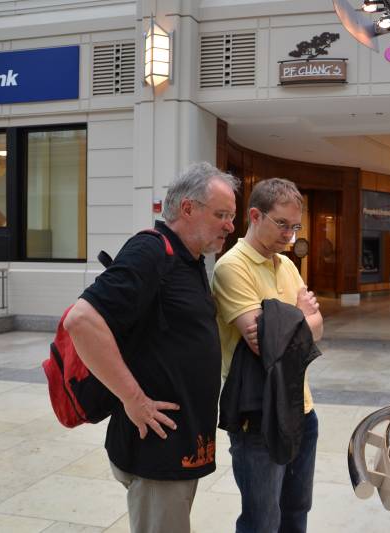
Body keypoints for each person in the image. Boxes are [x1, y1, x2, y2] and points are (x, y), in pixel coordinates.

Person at [64, 162, 239, 533]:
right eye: (221, 215)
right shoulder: (151, 250)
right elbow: (82, 320)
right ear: (187, 208)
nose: (230, 226)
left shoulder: (189, 259)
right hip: (155, 451)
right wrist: (134, 400)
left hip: (180, 446)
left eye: (231, 216)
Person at [212, 178, 323, 533]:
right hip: (258, 415)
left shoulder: (287, 265)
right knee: (262, 521)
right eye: (282, 224)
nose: (289, 235)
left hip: (302, 408)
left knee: (297, 511)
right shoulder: (232, 267)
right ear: (255, 215)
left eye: (295, 227)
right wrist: (303, 315)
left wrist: (293, 321)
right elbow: (266, 344)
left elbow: (315, 330)